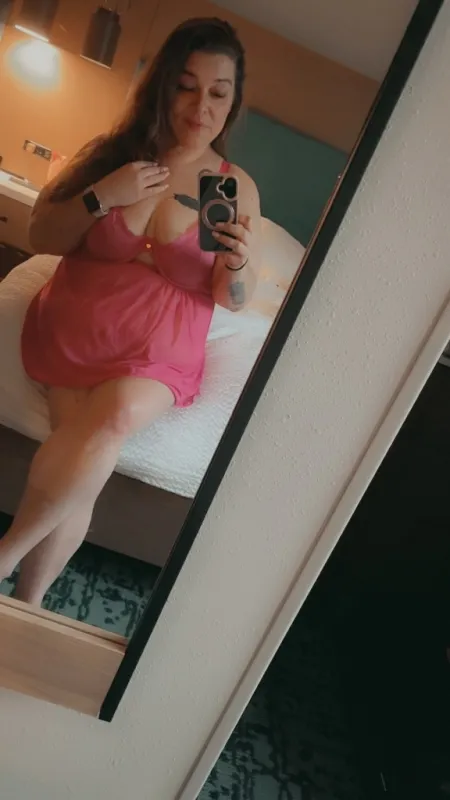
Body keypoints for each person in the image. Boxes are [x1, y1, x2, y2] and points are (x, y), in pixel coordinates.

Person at [0, 17, 261, 606]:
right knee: (82, 449)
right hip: (76, 326)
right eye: (186, 87)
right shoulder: (113, 155)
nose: (201, 107)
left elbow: (233, 298)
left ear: (233, 101)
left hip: (161, 346)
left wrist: (239, 264)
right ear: (163, 85)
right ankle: (29, 603)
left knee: (113, 418)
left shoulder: (230, 187)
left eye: (219, 92)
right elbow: (42, 234)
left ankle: (6, 558)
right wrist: (104, 196)